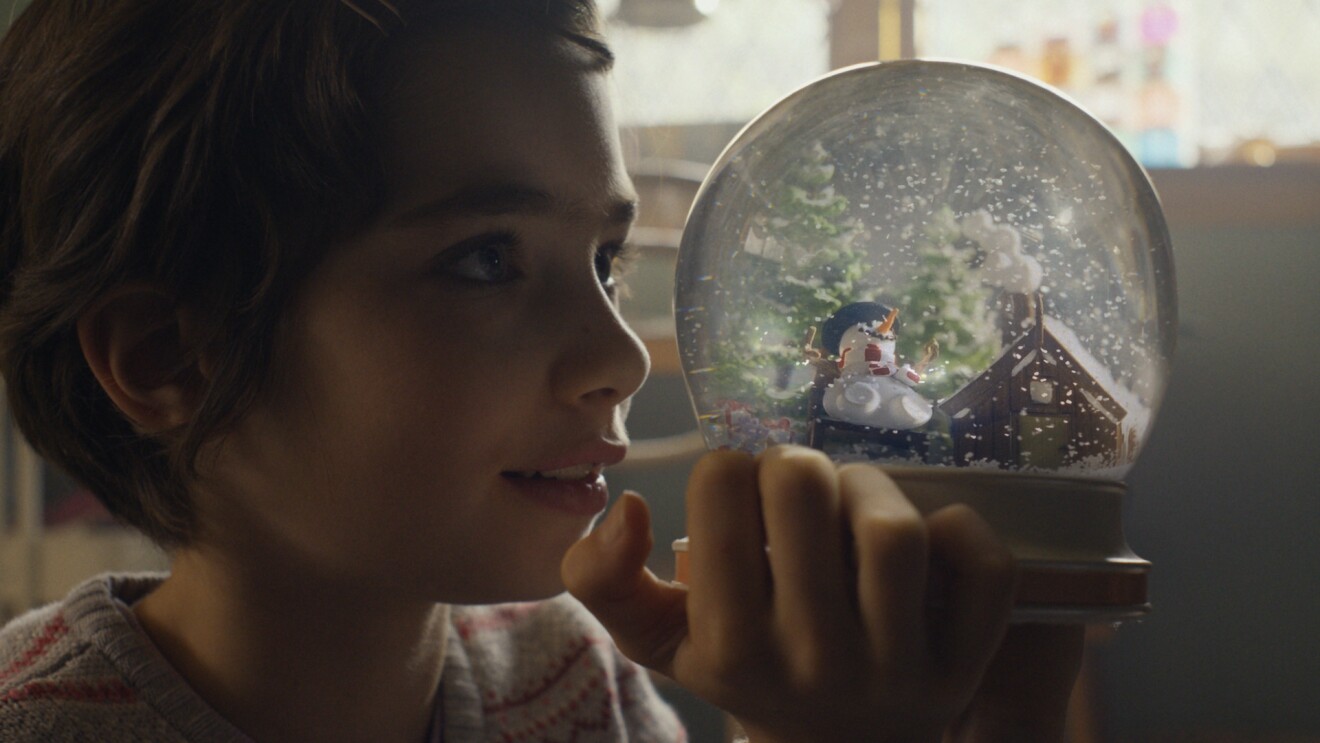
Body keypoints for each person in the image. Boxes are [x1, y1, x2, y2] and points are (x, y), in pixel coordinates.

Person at [0, 1, 1083, 741]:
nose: (617, 355)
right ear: (165, 358)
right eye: (485, 260)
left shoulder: (574, 682)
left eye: (605, 260)